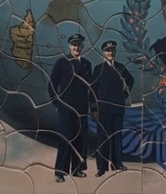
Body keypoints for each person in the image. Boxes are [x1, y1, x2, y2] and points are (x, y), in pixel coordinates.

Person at [49, 33, 93, 182]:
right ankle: (60, 172)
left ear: (82, 46)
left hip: (82, 109)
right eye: (74, 45)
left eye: (79, 45)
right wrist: (57, 103)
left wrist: (91, 107)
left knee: (80, 140)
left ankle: (77, 169)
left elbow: (90, 88)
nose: (76, 48)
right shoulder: (62, 62)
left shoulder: (87, 64)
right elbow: (52, 85)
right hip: (66, 109)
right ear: (69, 46)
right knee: (66, 139)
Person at [91, 40, 135, 176]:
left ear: (115, 52)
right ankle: (101, 167)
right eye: (107, 51)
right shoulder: (98, 69)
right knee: (102, 139)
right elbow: (92, 89)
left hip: (117, 108)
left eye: (112, 51)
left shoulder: (121, 68)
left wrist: (125, 94)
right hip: (103, 110)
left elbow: (131, 80)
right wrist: (94, 108)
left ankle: (117, 164)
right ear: (103, 53)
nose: (110, 53)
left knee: (117, 138)